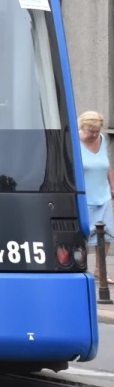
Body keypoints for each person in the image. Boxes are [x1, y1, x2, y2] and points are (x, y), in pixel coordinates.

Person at [79, 111, 114, 271]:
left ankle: (100, 271)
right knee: (82, 236)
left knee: (106, 235)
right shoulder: (73, 140)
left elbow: (106, 165)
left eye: (97, 131)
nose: (94, 134)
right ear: (82, 127)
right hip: (83, 197)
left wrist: (112, 185)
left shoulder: (101, 140)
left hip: (103, 195)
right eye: (90, 131)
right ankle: (80, 268)